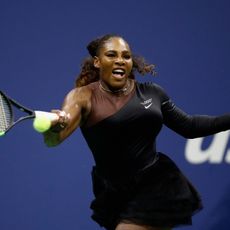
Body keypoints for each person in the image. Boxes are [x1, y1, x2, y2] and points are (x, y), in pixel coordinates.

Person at [43, 34, 230, 230]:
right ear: (97, 62)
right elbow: (53, 139)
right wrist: (56, 126)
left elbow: (189, 127)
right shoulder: (82, 97)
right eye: (111, 55)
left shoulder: (152, 93)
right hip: (113, 192)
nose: (120, 61)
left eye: (126, 56)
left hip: (156, 184)